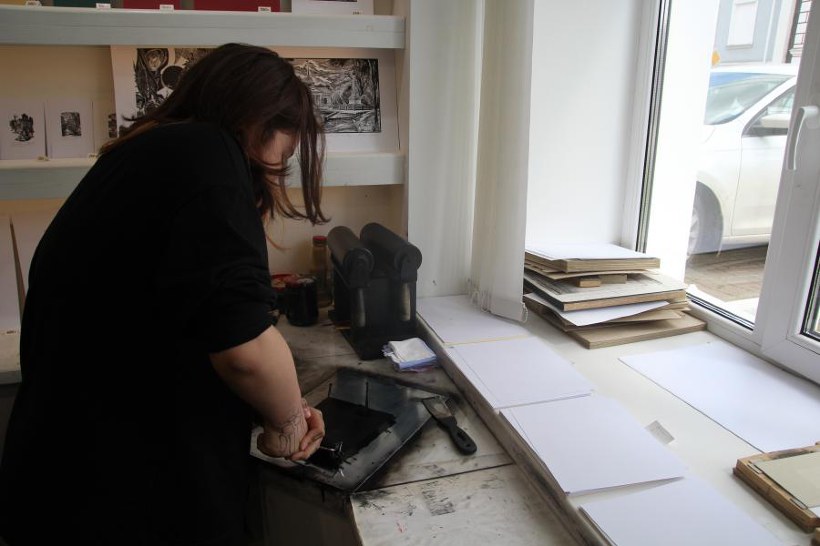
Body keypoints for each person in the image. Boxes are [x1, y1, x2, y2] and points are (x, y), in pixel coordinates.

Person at [0, 43, 327, 546]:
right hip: (121, 499)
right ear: (263, 120)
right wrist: (288, 425)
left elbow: (188, 315)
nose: (283, 162)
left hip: (65, 479)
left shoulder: (146, 153)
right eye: (288, 146)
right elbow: (245, 353)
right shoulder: (208, 154)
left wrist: (285, 403)